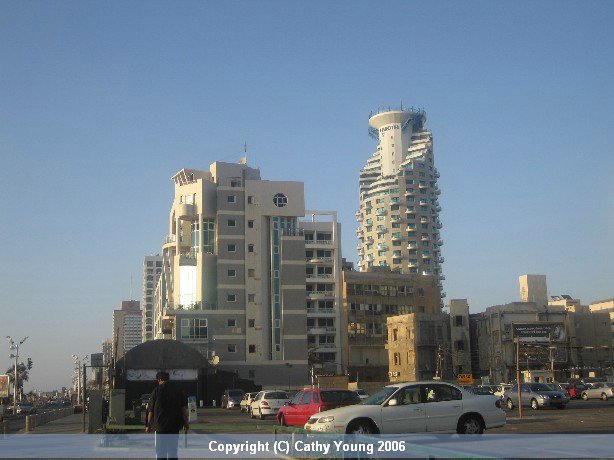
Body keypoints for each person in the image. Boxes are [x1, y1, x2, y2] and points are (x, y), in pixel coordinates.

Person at [146, 371, 189, 460]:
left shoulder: (157, 390)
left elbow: (150, 410)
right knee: (173, 451)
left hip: (160, 427)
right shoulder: (178, 390)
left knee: (161, 452)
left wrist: (148, 425)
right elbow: (183, 409)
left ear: (160, 379)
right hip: (174, 426)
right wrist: (186, 423)